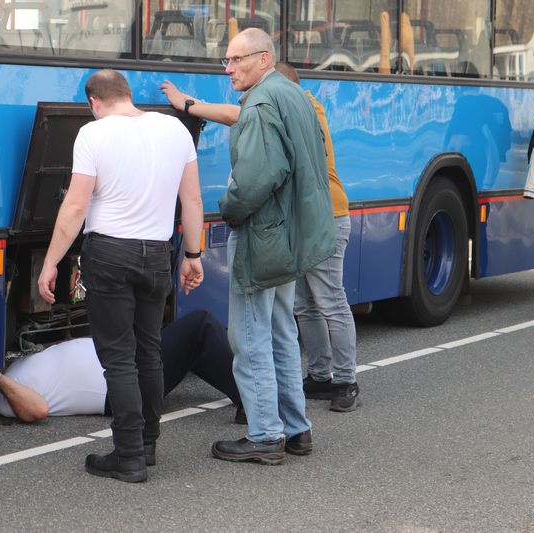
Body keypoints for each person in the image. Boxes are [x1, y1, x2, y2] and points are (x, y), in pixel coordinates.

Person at [161, 63, 361, 412]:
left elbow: (236, 116)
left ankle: (346, 380)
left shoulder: (301, 107)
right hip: (299, 218)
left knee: (329, 300)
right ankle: (320, 376)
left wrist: (189, 104)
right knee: (304, 304)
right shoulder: (294, 104)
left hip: (326, 215)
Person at [37, 69, 204, 483]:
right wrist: (193, 255)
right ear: (127, 94)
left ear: (94, 102)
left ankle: (127, 455)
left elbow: (76, 207)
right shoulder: (175, 129)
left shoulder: (93, 134)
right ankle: (147, 444)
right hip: (157, 253)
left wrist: (51, 262)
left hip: (110, 253)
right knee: (149, 350)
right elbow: (192, 200)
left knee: (118, 357)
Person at [208, 28, 337, 465]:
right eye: (226, 60)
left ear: (264, 58)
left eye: (236, 59)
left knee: (248, 337)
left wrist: (228, 209)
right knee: (282, 331)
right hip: (289, 233)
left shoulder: (260, 104)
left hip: (263, 235)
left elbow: (254, 181)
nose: (229, 69)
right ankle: (296, 428)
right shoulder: (294, 94)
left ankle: (265, 434)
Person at [0, 310, 242, 424]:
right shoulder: (2, 394)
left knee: (191, 345)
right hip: (122, 385)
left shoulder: (9, 370)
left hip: (123, 364)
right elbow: (38, 409)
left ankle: (246, 394)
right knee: (201, 325)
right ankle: (251, 401)